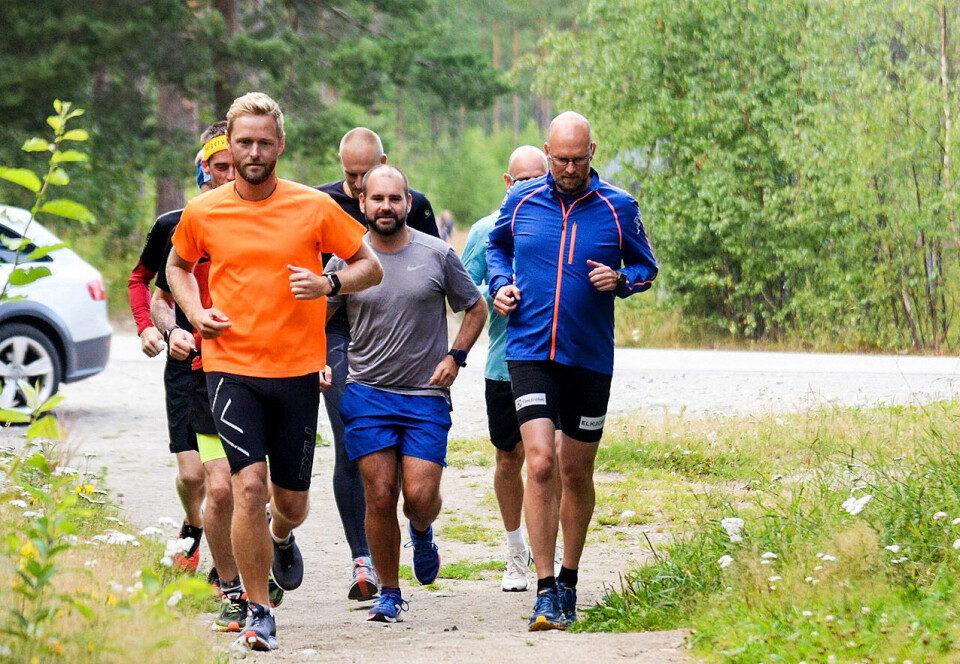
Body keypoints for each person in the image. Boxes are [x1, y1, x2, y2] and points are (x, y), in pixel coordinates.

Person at [167, 92, 383, 651]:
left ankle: (281, 537)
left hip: (296, 373)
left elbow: (370, 265)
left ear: (280, 144)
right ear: (229, 146)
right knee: (247, 487)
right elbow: (177, 266)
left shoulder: (312, 207)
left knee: (289, 504)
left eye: (264, 141)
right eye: (244, 142)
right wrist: (194, 312)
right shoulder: (203, 211)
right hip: (230, 367)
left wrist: (329, 284)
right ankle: (257, 608)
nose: (254, 151)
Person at [486, 112, 659, 631]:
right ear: (547, 151)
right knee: (538, 462)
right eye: (558, 159)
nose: (566, 168)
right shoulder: (521, 200)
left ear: (592, 153)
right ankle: (543, 591)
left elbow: (647, 267)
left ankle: (569, 579)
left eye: (576, 159)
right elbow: (498, 247)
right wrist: (499, 284)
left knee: (574, 470)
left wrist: (622, 279)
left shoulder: (619, 207)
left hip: (588, 357)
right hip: (530, 350)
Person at [325, 165, 486, 623]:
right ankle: (390, 592)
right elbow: (317, 314)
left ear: (408, 203)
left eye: (395, 199)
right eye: (377, 199)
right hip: (367, 392)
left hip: (425, 395)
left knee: (417, 495)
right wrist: (316, 359)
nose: (386, 207)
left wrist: (456, 356)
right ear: (362, 204)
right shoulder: (346, 261)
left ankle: (422, 529)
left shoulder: (436, 254)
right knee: (379, 494)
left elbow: (476, 307)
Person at [315, 127, 439, 601]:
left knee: (412, 473)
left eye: (365, 173)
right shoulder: (321, 202)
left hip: (393, 333)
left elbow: (426, 264)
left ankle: (419, 527)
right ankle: (361, 558)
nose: (357, 184)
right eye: (350, 175)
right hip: (339, 331)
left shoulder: (410, 202)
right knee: (353, 443)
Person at [126, 125, 236, 573]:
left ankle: (225, 565)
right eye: (220, 167)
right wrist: (154, 330)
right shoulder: (174, 224)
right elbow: (142, 282)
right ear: (203, 170)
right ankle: (194, 526)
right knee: (194, 476)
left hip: (241, 361)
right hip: (186, 361)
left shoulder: (259, 220)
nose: (229, 175)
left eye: (235, 166)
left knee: (228, 480)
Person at [461, 145, 549, 592]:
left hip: (551, 363)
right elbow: (462, 289)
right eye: (523, 180)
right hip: (502, 364)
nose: (532, 187)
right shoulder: (484, 230)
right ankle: (516, 550)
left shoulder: (558, 221)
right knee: (508, 457)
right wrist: (492, 295)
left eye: (540, 178)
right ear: (507, 183)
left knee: (545, 461)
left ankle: (544, 557)